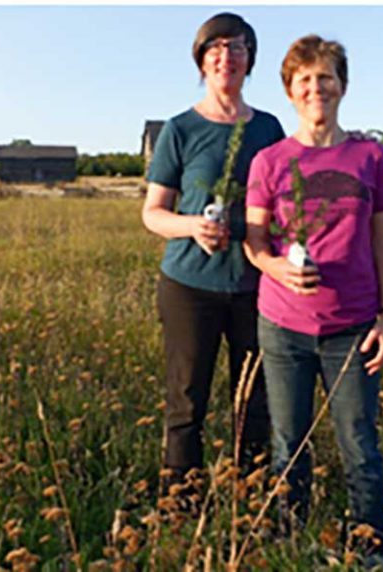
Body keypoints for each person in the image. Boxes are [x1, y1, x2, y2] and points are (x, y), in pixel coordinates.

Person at [244, 35, 383, 564]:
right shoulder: (269, 160)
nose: (316, 88)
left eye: (326, 77)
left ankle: (369, 545)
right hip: (283, 326)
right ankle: (288, 538)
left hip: (353, 326)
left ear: (343, 86)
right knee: (288, 441)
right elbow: (255, 240)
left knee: (359, 442)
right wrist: (277, 269)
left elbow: (382, 238)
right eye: (304, 79)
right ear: (289, 91)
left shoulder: (369, 155)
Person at [142, 13, 285, 501]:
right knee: (187, 400)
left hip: (256, 285)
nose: (227, 56)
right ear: (202, 60)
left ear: (250, 60)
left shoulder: (269, 128)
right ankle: (181, 501)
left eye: (238, 47)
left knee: (255, 400)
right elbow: (153, 213)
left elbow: (287, 203)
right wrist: (192, 227)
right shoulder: (179, 129)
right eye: (216, 47)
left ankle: (251, 496)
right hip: (189, 288)